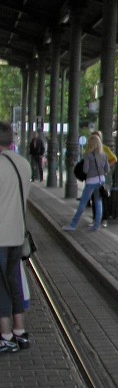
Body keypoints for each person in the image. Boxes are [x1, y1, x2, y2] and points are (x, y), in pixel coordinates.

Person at [0, 121, 32, 353]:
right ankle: (20, 331)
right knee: (14, 281)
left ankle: (5, 335)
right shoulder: (24, 164)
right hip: (17, 236)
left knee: (0, 286)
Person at [63, 134, 109, 232]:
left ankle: (73, 224)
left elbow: (85, 170)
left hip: (91, 181)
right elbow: (107, 169)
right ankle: (96, 225)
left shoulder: (88, 155)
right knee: (98, 202)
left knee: (83, 203)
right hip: (101, 181)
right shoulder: (104, 155)